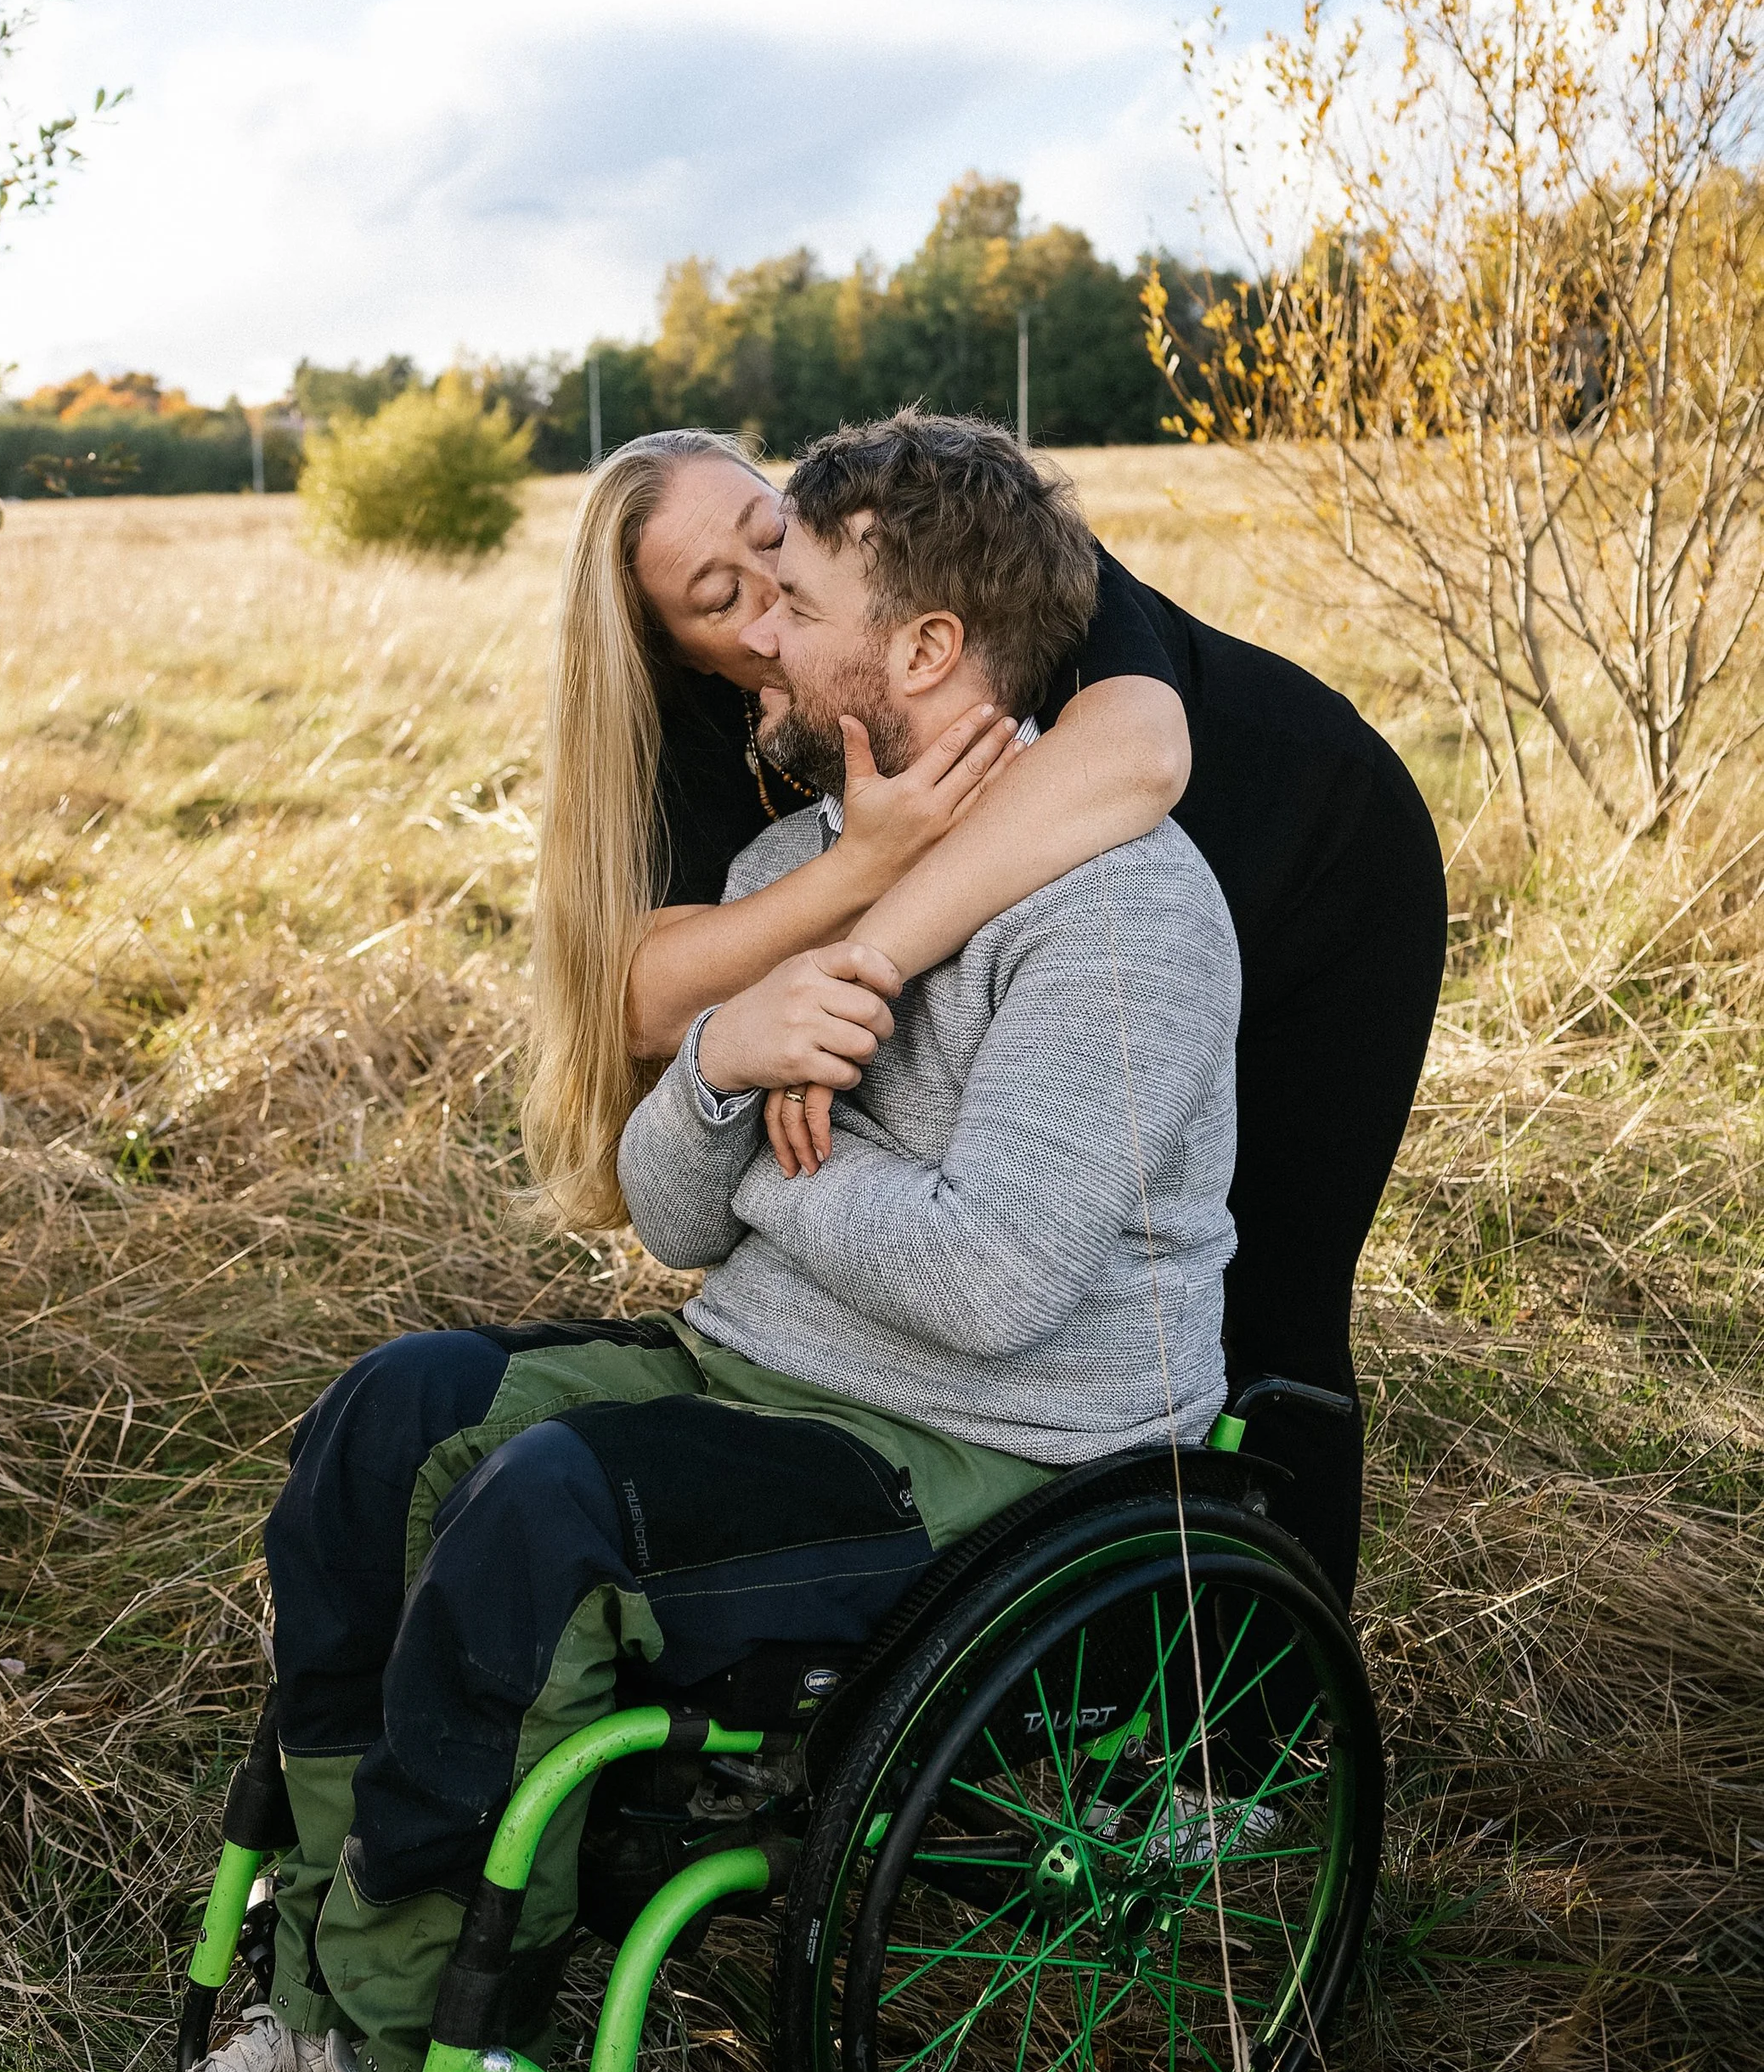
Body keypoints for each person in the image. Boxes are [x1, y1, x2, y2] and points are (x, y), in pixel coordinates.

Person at [85, 417, 1242, 2072]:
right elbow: (671, 1204)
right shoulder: (802, 849)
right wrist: (724, 1060)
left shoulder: (1124, 914)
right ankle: (312, 2017)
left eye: (791, 596)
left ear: (930, 649)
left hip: (979, 1460)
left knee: (551, 1513)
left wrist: (812, 1141)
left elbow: (978, 1280)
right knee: (390, 1419)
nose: (757, 640)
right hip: (758, 1380)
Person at [524, 425, 1446, 1608]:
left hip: (1305, 863)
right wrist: (853, 871)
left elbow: (1140, 758)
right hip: (1063, 947)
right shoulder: (749, 700)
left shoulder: (945, 544)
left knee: (1266, 1305)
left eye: (772, 542)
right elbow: (644, 997)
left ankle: (1262, 1732)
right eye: (720, 602)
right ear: (676, 653)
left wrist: (859, 960)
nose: (765, 611)